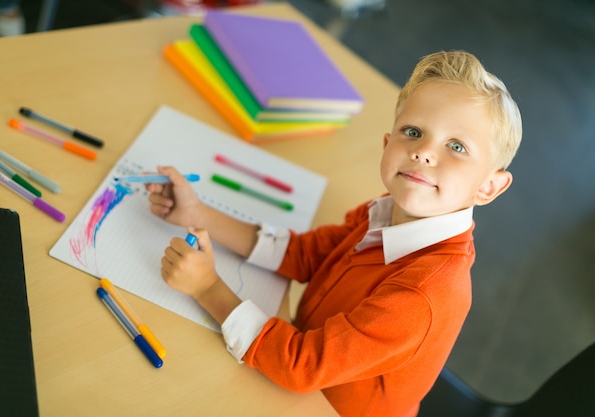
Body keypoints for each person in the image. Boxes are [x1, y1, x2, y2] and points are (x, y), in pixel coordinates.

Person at [146, 50, 522, 417]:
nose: (422, 152)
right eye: (413, 131)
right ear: (388, 144)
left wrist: (208, 288)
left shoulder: (423, 295)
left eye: (456, 146)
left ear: (488, 187)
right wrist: (199, 215)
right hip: (301, 366)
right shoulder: (389, 208)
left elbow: (302, 366)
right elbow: (308, 254)